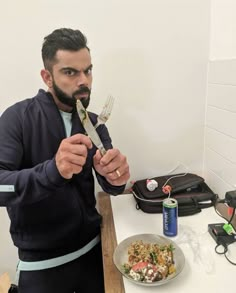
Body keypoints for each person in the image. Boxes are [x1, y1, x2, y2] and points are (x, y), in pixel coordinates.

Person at [0, 28, 130, 293]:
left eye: (88, 71)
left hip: (96, 251)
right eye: (70, 72)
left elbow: (111, 186)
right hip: (41, 265)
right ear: (48, 77)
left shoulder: (94, 124)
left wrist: (115, 177)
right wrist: (52, 171)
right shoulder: (17, 118)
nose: (84, 81)